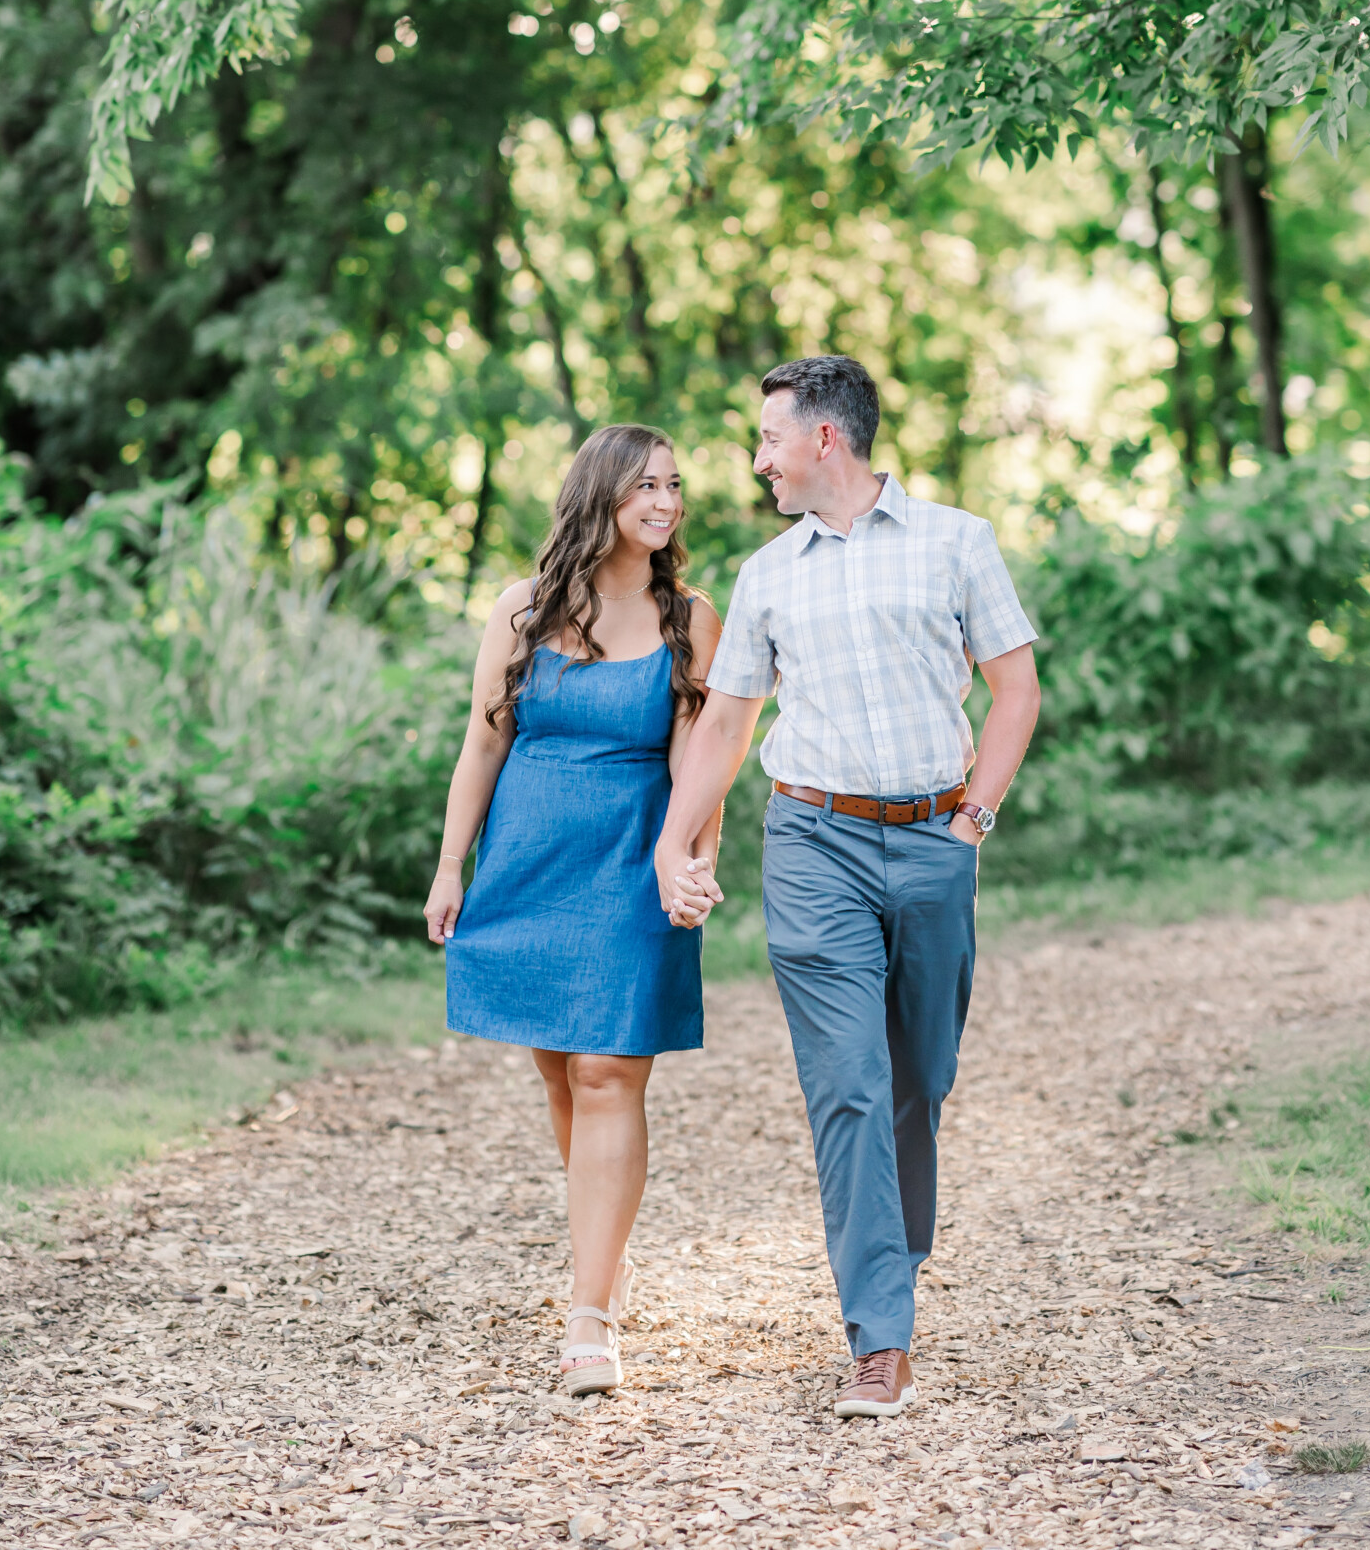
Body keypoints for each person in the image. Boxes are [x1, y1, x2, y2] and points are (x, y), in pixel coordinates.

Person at [654, 355, 1040, 1420]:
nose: (757, 459)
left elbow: (1016, 689)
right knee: (850, 1086)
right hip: (812, 839)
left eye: (769, 437)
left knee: (920, 1075)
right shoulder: (768, 573)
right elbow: (729, 723)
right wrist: (674, 841)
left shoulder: (957, 541)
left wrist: (972, 822)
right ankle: (879, 1332)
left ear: (827, 437)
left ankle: (892, 1253)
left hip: (931, 841)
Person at [425, 425, 723, 1396]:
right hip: (529, 863)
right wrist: (449, 867)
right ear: (600, 492)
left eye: (675, 484)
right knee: (562, 1073)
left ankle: (590, 1315)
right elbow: (482, 747)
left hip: (631, 866)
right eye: (647, 483)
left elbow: (702, 766)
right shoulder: (522, 608)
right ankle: (608, 1250)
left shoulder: (690, 617)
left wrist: (692, 861)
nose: (667, 500)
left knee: (606, 1071)